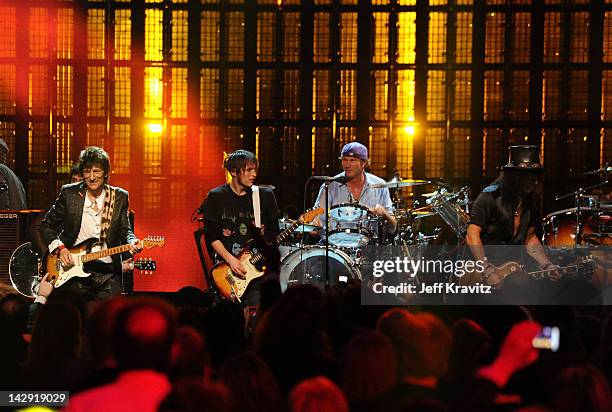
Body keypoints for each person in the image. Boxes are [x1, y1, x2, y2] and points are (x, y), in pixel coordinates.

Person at [39, 146, 142, 301]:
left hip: (108, 272)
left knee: (108, 320)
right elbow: (46, 225)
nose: (92, 177)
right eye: (87, 172)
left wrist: (132, 241)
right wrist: (60, 248)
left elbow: (124, 229)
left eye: (97, 171)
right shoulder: (69, 194)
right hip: (73, 271)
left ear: (106, 172)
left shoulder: (119, 196)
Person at [465, 145, 560, 294]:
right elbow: (472, 235)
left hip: (513, 273)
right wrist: (486, 269)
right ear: (513, 176)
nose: (533, 181)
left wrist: (547, 264)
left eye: (535, 177)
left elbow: (530, 238)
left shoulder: (530, 202)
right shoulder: (490, 196)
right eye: (527, 177)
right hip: (483, 272)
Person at [199, 150, 280, 304]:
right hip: (227, 271)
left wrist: (265, 235)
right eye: (248, 170)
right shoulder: (216, 197)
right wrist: (231, 260)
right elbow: (212, 237)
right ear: (233, 172)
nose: (254, 174)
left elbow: (275, 233)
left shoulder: (264, 195)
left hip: (258, 271)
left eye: (255, 169)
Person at [313, 142, 397, 240]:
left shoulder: (380, 186)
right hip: (336, 249)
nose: (347, 165)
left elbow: (392, 228)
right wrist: (314, 228)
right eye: (344, 160)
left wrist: (384, 213)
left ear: (363, 163)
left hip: (369, 249)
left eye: (352, 160)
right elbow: (317, 224)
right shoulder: (330, 186)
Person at [0, 138, 27, 210]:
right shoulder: (13, 175)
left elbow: (3, 200)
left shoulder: (1, 171)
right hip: (17, 219)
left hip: (6, 220)